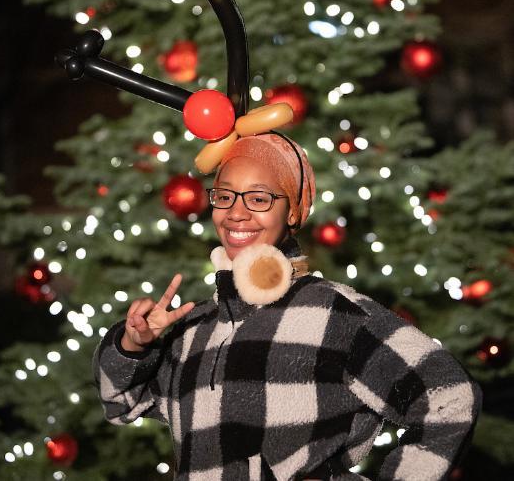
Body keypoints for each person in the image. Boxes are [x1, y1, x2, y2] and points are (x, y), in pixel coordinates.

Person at [92, 132, 482, 480]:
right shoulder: (193, 328)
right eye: (224, 196)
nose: (237, 212)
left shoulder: (335, 313)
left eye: (259, 198)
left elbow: (449, 395)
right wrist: (134, 345)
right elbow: (121, 403)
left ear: (293, 211)